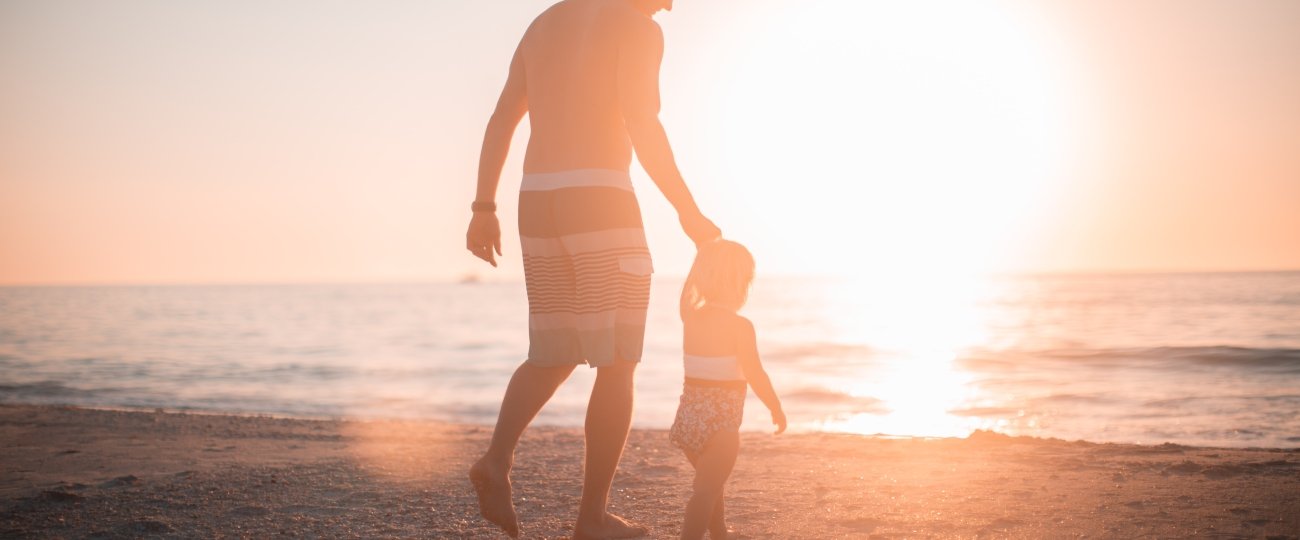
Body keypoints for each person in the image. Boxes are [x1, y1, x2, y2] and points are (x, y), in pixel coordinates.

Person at [464, 0, 721, 538]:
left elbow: (501, 117)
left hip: (537, 200)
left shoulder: (545, 23)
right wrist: (689, 212)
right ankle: (590, 520)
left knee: (553, 352)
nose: (672, 4)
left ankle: (496, 459)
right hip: (600, 197)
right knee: (618, 360)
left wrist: (483, 207)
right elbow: (642, 121)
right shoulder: (637, 29)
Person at [671, 240, 785, 540]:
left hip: (688, 422)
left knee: (710, 482)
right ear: (741, 284)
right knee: (706, 489)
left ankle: (720, 532)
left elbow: (686, 294)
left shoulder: (690, 318)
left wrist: (700, 254)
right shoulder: (740, 326)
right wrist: (775, 406)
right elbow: (755, 373)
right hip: (721, 424)